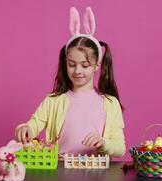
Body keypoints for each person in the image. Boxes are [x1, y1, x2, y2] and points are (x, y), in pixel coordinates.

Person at [15, 7, 125, 157]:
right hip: (61, 169)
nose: (77, 71)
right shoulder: (52, 101)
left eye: (84, 65)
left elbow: (120, 147)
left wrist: (103, 143)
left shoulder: (111, 104)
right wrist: (25, 128)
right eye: (71, 64)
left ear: (97, 65)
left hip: (96, 171)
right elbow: (34, 124)